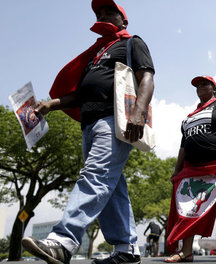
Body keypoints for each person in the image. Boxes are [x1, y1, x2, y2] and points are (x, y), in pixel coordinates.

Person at [21, 1, 155, 264]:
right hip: (89, 124)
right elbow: (80, 94)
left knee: (95, 174)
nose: (103, 15)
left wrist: (139, 112)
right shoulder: (95, 53)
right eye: (99, 13)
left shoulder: (131, 43)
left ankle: (63, 241)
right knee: (112, 185)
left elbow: (147, 76)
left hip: (114, 120)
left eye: (109, 12)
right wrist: (52, 104)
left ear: (123, 21)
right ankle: (127, 250)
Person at [165, 76, 216, 262]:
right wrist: (177, 170)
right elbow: (183, 146)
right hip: (192, 168)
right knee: (187, 207)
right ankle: (186, 251)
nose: (200, 86)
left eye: (204, 83)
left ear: (213, 88)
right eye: (197, 85)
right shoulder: (189, 117)